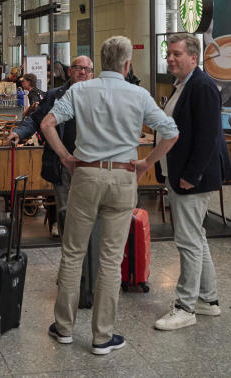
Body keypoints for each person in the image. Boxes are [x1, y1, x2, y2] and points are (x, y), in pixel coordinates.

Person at [42, 36, 179, 355]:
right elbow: (171, 132)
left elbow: (48, 123)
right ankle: (102, 336)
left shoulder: (79, 90)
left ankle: (63, 327)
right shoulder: (138, 94)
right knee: (110, 258)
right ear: (127, 64)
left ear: (100, 63)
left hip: (85, 174)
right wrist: (146, 162)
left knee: (73, 251)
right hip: (123, 175)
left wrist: (65, 156)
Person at [152, 34, 231, 331]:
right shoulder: (183, 86)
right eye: (169, 54)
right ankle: (208, 300)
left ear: (193, 57)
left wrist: (191, 175)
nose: (170, 58)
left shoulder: (201, 86)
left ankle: (185, 306)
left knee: (187, 241)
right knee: (196, 238)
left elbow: (208, 136)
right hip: (179, 174)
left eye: (176, 54)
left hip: (191, 179)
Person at [8, 56, 94, 237]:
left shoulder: (99, 96)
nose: (83, 72)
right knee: (65, 211)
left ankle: (88, 251)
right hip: (62, 162)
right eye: (78, 68)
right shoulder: (55, 95)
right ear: (70, 72)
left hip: (91, 164)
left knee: (89, 212)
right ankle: (68, 249)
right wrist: (19, 133)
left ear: (92, 74)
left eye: (87, 69)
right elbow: (35, 119)